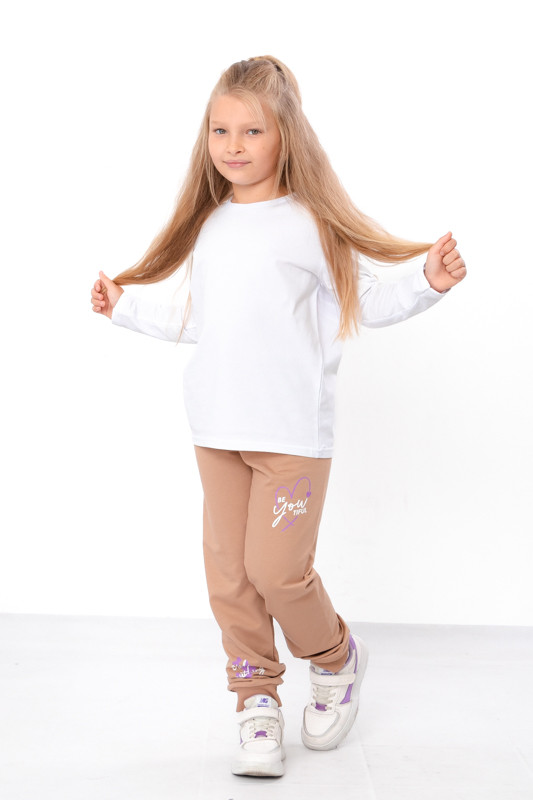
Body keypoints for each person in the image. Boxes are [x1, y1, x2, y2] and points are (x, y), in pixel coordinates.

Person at [90, 55, 466, 778]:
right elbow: (200, 320)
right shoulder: (210, 225)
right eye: (219, 130)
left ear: (285, 135)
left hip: (291, 434)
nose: (232, 146)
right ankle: (255, 700)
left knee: (276, 573)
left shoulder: (308, 225)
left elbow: (366, 301)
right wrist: (125, 309)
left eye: (251, 130)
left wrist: (427, 282)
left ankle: (335, 657)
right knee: (230, 579)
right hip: (216, 430)